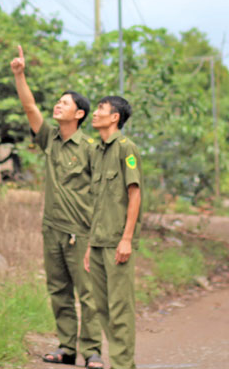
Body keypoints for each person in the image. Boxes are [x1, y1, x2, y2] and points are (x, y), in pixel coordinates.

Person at [11, 45, 103, 368]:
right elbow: (29, 106)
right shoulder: (49, 138)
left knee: (87, 294)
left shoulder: (92, 149)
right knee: (58, 290)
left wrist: (97, 236)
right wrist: (19, 75)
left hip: (81, 233)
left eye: (65, 103)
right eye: (58, 101)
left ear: (79, 114)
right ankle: (67, 349)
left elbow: (104, 194)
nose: (58, 105)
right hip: (52, 229)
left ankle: (92, 351)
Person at [83, 95, 142, 369]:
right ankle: (119, 360)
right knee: (103, 308)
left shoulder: (126, 149)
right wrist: (88, 246)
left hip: (117, 242)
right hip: (97, 241)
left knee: (120, 309)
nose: (95, 114)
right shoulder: (97, 151)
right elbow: (97, 202)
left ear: (115, 117)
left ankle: (122, 365)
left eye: (101, 109)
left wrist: (127, 239)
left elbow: (134, 194)